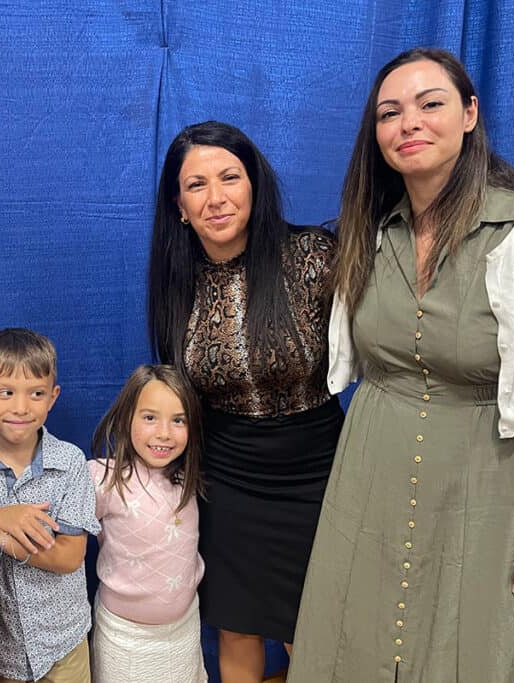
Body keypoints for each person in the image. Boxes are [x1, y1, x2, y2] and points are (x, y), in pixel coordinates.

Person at [287, 48, 514, 682]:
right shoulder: (368, 234)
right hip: (370, 477)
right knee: (357, 642)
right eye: (390, 112)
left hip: (490, 483)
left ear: (469, 115)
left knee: (473, 651)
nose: (408, 123)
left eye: (429, 104)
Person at [147, 120, 343, 681]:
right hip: (228, 476)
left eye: (229, 177)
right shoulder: (176, 279)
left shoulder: (312, 255)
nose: (216, 198)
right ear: (179, 205)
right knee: (237, 626)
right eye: (196, 185)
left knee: (315, 627)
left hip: (319, 471)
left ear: (254, 184)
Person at [0, 328, 100, 683]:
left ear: (52, 397)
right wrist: (1, 519)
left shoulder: (69, 462)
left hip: (62, 646)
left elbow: (69, 556)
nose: (21, 407)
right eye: (5, 393)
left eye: (35, 394)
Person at [87, 364, 208, 683]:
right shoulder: (103, 478)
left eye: (178, 420)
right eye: (150, 417)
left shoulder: (190, 480)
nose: (164, 433)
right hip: (124, 638)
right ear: (128, 418)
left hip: (182, 632)